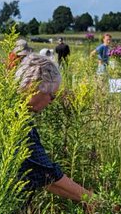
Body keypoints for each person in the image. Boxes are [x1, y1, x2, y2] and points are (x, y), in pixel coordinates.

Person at [15, 54, 95, 201]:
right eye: (52, 96)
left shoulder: (7, 106)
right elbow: (48, 174)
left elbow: (42, 175)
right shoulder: (19, 124)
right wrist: (93, 200)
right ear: (34, 87)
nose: (51, 102)